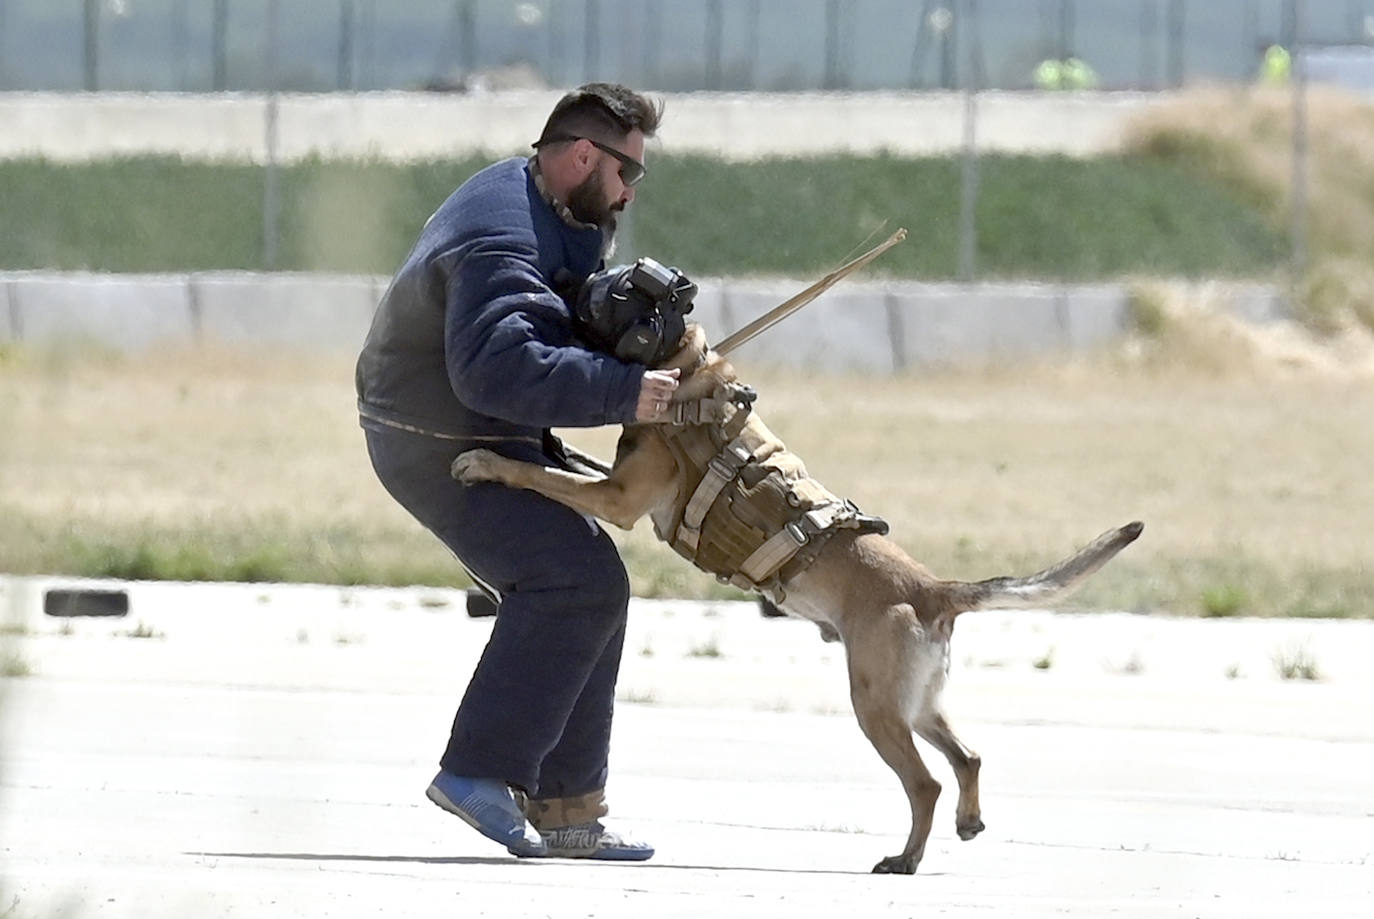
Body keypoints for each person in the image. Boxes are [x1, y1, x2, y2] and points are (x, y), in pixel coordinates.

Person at [354, 83, 680, 861]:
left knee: (593, 578)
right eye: (628, 172)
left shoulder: (556, 207)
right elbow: (495, 368)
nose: (631, 191)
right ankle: (476, 772)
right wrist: (622, 389)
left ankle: (568, 809)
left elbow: (548, 317)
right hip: (432, 435)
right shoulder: (500, 235)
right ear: (580, 155)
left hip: (482, 425)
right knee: (569, 579)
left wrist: (614, 327)